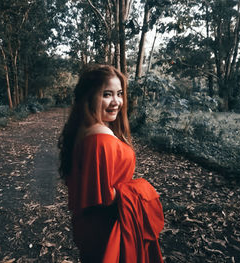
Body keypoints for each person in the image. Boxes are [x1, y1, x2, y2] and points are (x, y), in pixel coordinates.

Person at [58, 64, 164, 262]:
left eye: (119, 93)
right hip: (107, 227)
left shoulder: (83, 129)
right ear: (89, 97)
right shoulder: (100, 140)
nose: (117, 102)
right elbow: (104, 195)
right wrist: (141, 189)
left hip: (91, 225)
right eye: (107, 94)